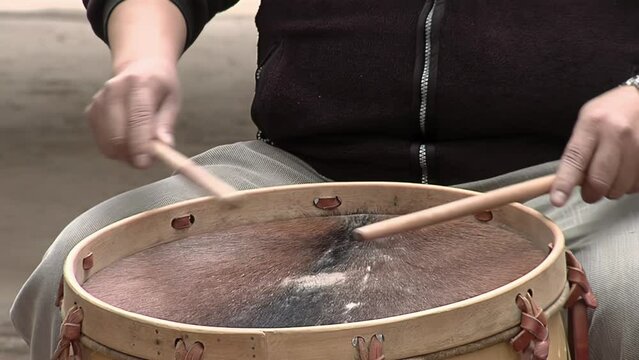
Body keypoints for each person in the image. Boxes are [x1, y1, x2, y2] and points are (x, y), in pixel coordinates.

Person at [11, 0, 639, 359]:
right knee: (73, 271)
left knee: (629, 299)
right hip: (302, 170)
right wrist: (142, 59)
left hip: (564, 177)